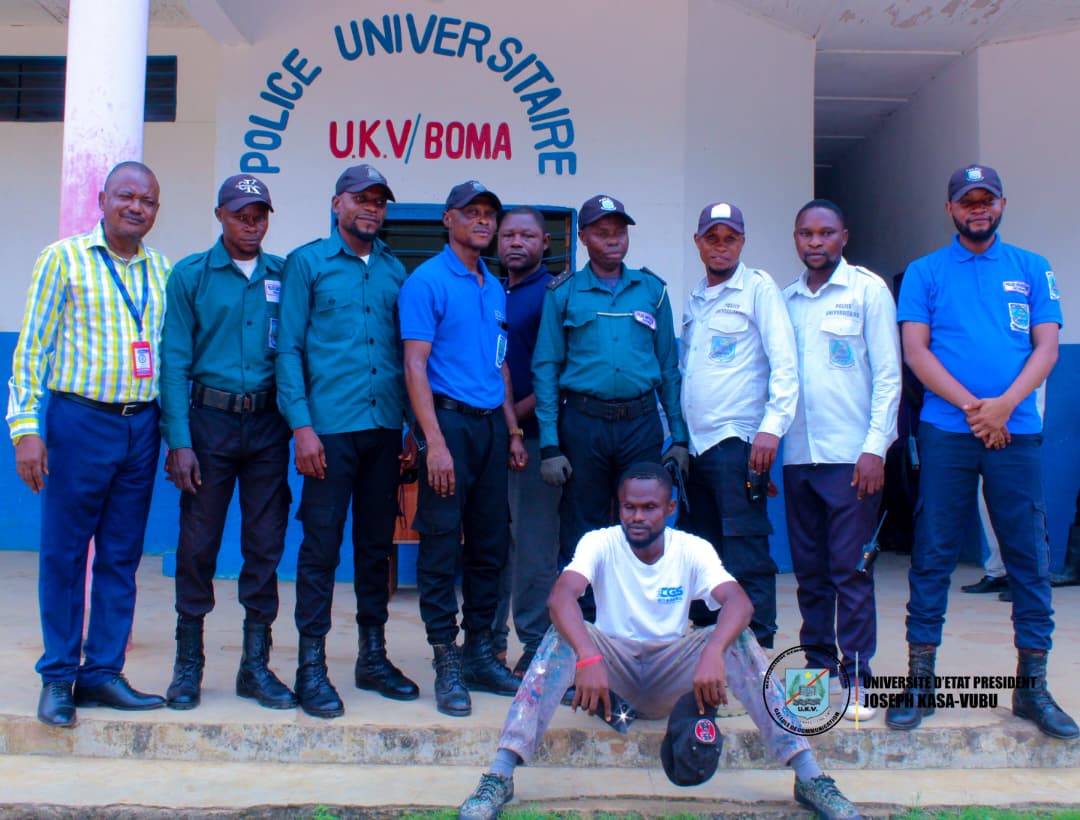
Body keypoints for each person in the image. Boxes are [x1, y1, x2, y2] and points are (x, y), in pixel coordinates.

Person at [458, 463, 864, 820]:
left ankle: (810, 776)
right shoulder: (599, 542)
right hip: (613, 675)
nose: (637, 517)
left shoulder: (692, 549)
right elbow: (560, 597)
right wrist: (587, 655)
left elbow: (739, 601)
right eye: (629, 508)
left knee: (738, 639)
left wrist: (711, 651)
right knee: (560, 636)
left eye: (649, 508)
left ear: (670, 509)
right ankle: (500, 774)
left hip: (672, 675)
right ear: (618, 508)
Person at [888, 164, 1077, 739]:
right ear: (950, 208)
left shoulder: (1032, 268)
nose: (977, 209)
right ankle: (920, 683)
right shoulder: (925, 272)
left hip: (1016, 431)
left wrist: (1004, 408)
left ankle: (1032, 689)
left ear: (1000, 204)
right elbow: (917, 353)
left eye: (986, 200)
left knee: (1027, 555)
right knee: (934, 551)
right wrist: (977, 408)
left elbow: (1046, 349)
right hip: (947, 429)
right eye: (966, 201)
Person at [8, 161, 170, 727]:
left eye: (147, 201)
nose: (136, 207)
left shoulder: (161, 270)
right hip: (79, 421)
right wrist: (26, 428)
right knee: (65, 554)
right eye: (125, 196)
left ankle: (102, 672)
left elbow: (167, 358)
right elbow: (32, 348)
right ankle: (58, 677)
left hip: (141, 426)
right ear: (102, 200)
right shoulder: (64, 259)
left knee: (121, 557)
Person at [275, 164, 418, 719]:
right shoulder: (307, 264)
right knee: (320, 550)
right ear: (338, 204)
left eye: (380, 202)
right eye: (362, 199)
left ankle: (372, 657)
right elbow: (287, 349)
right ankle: (311, 665)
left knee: (375, 547)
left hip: (383, 430)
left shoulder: (394, 270)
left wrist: (407, 422)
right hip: (327, 433)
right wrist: (301, 427)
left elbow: (402, 356)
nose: (372, 209)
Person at [159, 174, 296, 711]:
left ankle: (254, 666)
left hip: (266, 426)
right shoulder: (191, 275)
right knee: (198, 545)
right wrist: (179, 440)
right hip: (208, 424)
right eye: (241, 213)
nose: (251, 222)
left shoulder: (285, 276)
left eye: (259, 213)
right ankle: (188, 664)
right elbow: (173, 362)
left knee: (265, 544)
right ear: (220, 215)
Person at [398, 180, 528, 717]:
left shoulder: (492, 285)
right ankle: (444, 657)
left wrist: (513, 432)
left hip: (490, 431)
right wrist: (433, 442)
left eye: (489, 215)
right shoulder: (426, 281)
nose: (483, 222)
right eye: (471, 213)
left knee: (490, 545)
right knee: (440, 544)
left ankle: (479, 651)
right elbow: (415, 366)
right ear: (447, 219)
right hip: (447, 427)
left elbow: (499, 363)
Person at [532, 195, 688, 601]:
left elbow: (669, 369)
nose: (613, 240)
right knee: (581, 528)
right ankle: (582, 626)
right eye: (602, 232)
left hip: (641, 425)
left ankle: (641, 616)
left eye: (619, 232)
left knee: (645, 522)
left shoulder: (652, 290)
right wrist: (549, 444)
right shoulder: (563, 293)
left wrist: (680, 438)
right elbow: (546, 368)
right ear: (583, 237)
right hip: (584, 425)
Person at [782, 199, 901, 721]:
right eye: (806, 234)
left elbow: (889, 376)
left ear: (844, 237)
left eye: (825, 233)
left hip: (852, 458)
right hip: (798, 457)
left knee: (850, 571)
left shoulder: (868, 292)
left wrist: (875, 447)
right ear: (796, 239)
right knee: (809, 574)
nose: (815, 242)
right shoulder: (784, 300)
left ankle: (856, 675)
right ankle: (814, 672)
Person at [679, 202, 798, 650]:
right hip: (695, 449)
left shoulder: (758, 289)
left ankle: (757, 645)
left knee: (745, 551)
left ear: (742, 242)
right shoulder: (695, 298)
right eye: (713, 237)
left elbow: (785, 365)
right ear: (698, 242)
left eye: (730, 238)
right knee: (701, 552)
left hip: (737, 443)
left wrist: (770, 429)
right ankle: (708, 645)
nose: (721, 247)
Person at [492, 206, 562, 676]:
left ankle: (534, 643)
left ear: (545, 244)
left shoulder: (555, 294)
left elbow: (558, 371)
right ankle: (487, 643)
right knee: (491, 545)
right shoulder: (489, 289)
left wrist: (510, 419)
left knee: (534, 546)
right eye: (508, 235)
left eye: (527, 235)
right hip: (486, 439)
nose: (517, 242)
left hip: (534, 439)